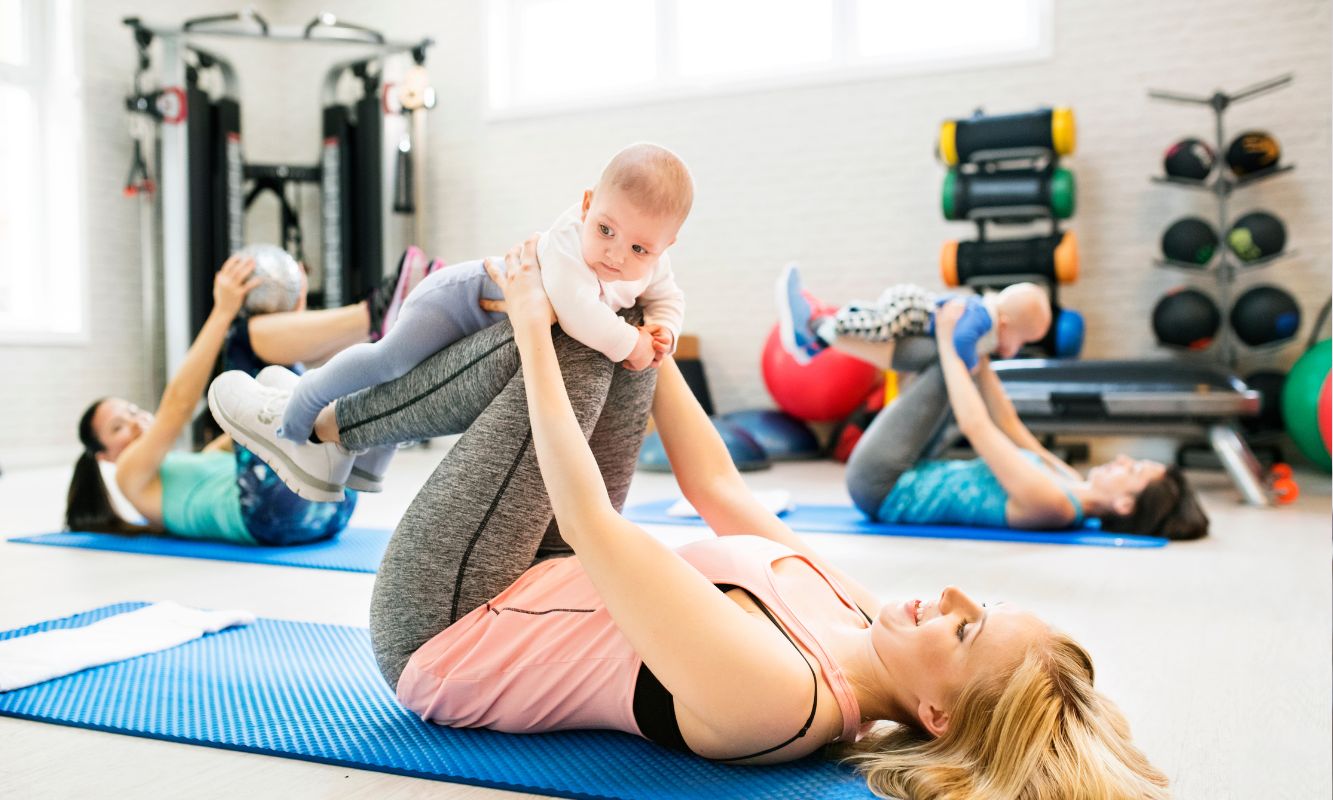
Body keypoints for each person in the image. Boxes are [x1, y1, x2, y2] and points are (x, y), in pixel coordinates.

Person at [218, 237, 1170, 797]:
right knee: (605, 330)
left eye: (965, 630)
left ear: (933, 712)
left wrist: (543, 333)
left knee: (574, 346)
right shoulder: (859, 614)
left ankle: (325, 429)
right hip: (536, 569)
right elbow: (721, 492)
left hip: (450, 627)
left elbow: (595, 524)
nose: (947, 597)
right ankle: (334, 428)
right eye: (975, 601)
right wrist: (647, 321)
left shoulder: (782, 694)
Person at [222, 143, 690, 502]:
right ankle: (298, 411)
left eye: (639, 249)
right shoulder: (570, 242)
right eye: (606, 230)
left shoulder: (649, 264)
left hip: (490, 322)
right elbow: (578, 312)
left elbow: (667, 296)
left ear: (665, 247)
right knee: (391, 362)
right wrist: (631, 343)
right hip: (458, 296)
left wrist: (665, 327)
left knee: (422, 383)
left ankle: (366, 467)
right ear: (587, 204)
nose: (614, 253)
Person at [63, 251, 409, 544]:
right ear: (105, 456)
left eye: (134, 411)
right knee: (241, 342)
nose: (136, 421)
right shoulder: (128, 476)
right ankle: (375, 317)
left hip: (328, 503)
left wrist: (290, 326)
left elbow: (263, 423)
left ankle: (383, 342)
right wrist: (222, 311)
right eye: (118, 426)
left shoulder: (186, 467)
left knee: (275, 393)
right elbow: (178, 406)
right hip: (274, 513)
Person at [841, 298, 1209, 539]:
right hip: (914, 467)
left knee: (944, 363)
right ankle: (831, 333)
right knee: (950, 360)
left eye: (1133, 471)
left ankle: (824, 333)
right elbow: (1010, 426)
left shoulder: (1054, 504)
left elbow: (978, 428)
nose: (1123, 461)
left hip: (883, 485)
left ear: (1125, 505)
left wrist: (948, 340)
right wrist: (981, 358)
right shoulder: (1068, 480)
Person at [776, 263, 1052, 369]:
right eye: (1020, 340)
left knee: (872, 319)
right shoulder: (984, 316)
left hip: (914, 309)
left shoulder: (984, 312)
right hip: (914, 310)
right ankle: (822, 327)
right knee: (878, 327)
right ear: (1005, 324)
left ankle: (820, 332)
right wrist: (970, 364)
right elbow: (962, 339)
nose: (1016, 348)